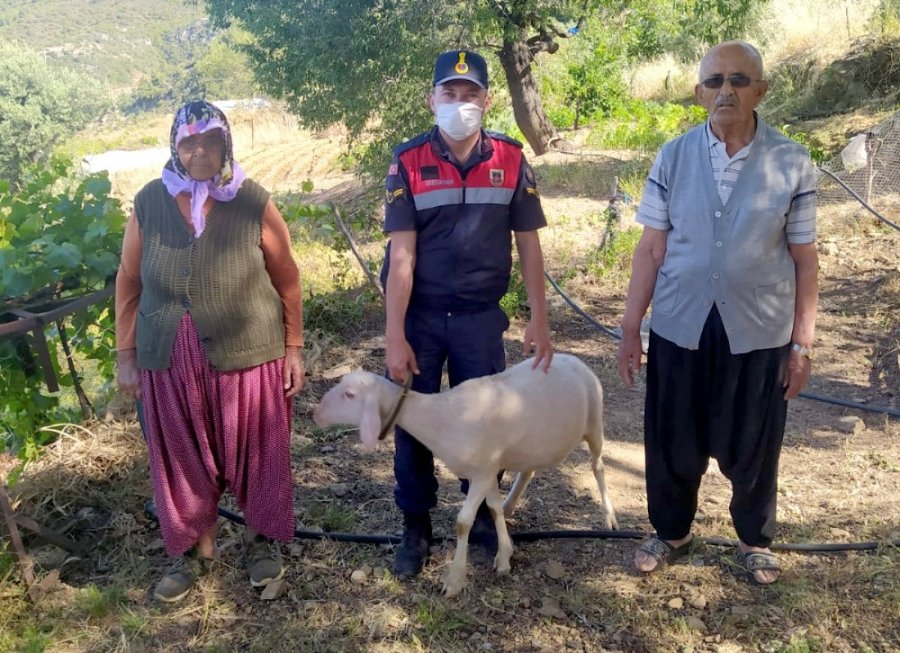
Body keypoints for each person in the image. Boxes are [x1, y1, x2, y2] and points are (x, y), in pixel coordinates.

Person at [616, 41, 818, 585]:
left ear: (761, 90)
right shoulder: (673, 156)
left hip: (759, 328)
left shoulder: (792, 162)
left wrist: (802, 343)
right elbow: (651, 249)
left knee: (754, 437)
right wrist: (631, 326)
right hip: (681, 323)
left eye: (738, 79)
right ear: (699, 92)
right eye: (714, 81)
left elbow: (804, 259)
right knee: (672, 434)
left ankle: (755, 540)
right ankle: (672, 532)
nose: (725, 90)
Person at [115, 101, 305, 602]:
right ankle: (196, 552)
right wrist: (125, 353)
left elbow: (287, 278)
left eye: (210, 141)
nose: (200, 151)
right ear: (174, 147)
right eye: (188, 142)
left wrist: (294, 347)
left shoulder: (251, 201)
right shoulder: (149, 202)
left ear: (226, 144)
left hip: (249, 356)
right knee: (181, 459)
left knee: (258, 455)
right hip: (169, 363)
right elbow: (129, 281)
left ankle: (261, 541)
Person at [381, 50, 553, 579]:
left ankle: (480, 515)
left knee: (484, 420)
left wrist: (539, 318)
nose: (460, 103)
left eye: (470, 93)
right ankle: (415, 526)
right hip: (422, 320)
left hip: (481, 318)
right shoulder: (407, 161)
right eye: (449, 94)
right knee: (414, 421)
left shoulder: (510, 157)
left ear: (487, 99)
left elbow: (528, 244)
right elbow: (402, 256)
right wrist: (394, 336)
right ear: (431, 99)